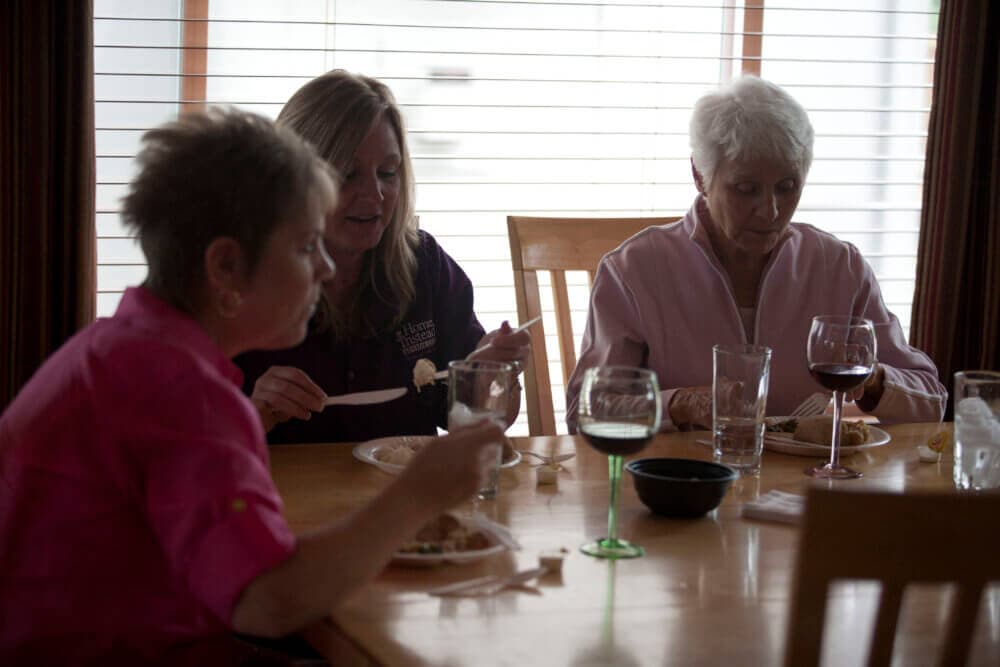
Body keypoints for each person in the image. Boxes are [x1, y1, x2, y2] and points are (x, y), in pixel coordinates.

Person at [0, 108, 504, 664]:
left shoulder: (117, 348)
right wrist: (419, 494)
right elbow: (266, 600)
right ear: (226, 268)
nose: (326, 270)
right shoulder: (182, 395)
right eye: (307, 246)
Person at [566, 76, 946, 432]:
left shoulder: (838, 268)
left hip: (801, 491)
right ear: (700, 176)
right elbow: (585, 413)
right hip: (680, 487)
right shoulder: (634, 270)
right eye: (746, 188)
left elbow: (932, 399)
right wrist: (679, 405)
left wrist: (874, 381)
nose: (771, 211)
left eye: (787, 187)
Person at [235, 70, 529, 444]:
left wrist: (493, 377)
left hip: (405, 495)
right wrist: (252, 414)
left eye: (387, 173)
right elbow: (182, 445)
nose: (373, 196)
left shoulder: (424, 264)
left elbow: (470, 418)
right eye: (347, 175)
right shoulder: (238, 280)